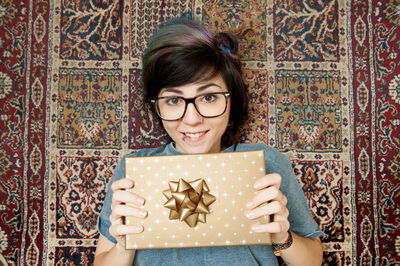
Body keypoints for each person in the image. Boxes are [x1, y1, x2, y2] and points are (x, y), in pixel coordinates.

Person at [94, 14, 323, 266]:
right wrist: (125, 245)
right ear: (156, 107)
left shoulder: (267, 163)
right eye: (173, 100)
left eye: (209, 98)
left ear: (230, 100)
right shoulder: (131, 171)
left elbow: (311, 259)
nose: (191, 119)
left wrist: (282, 236)